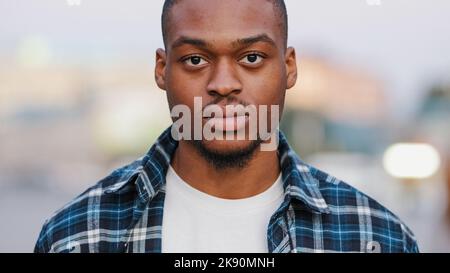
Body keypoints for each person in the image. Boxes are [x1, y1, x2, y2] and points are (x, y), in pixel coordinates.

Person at [34, 0, 419, 253]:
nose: (223, 83)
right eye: (196, 60)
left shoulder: (376, 239)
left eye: (251, 57)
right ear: (162, 70)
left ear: (288, 69)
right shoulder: (76, 236)